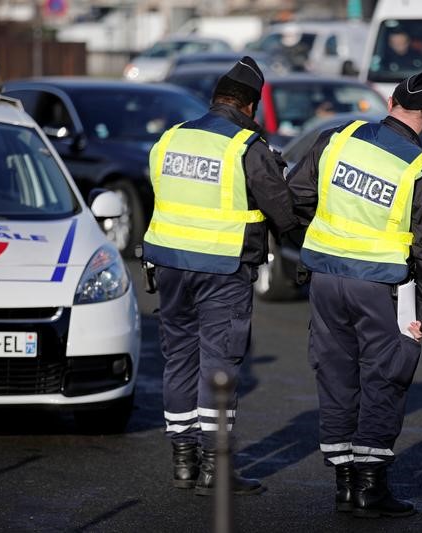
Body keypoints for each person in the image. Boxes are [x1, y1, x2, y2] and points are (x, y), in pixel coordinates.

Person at [287, 70, 422, 518]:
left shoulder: (338, 138)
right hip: (382, 289)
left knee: (336, 374)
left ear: (390, 104)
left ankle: (344, 485)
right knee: (385, 378)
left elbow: (297, 196)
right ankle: (370, 488)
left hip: (325, 280)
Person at [142, 56, 299, 496]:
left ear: (215, 100)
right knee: (219, 365)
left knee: (179, 361)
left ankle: (184, 462)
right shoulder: (246, 146)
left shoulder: (171, 139)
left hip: (169, 264)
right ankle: (216, 466)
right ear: (249, 106)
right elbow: (283, 212)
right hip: (222, 268)